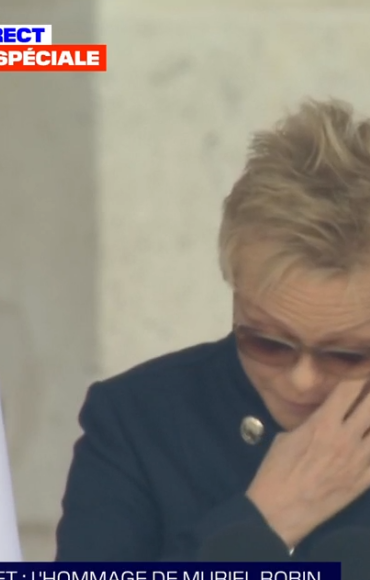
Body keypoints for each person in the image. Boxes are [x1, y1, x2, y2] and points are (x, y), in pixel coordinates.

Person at [55, 98, 370, 562]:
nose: (302, 380)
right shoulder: (138, 422)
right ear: (235, 290)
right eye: (268, 342)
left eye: (346, 355)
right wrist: (262, 522)